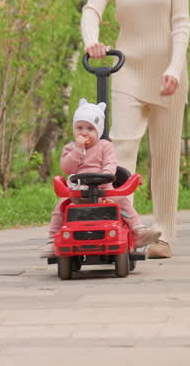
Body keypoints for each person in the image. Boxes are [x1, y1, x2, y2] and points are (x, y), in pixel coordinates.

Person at [82, 0, 189, 260]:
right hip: (127, 69)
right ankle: (126, 228)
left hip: (168, 73)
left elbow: (181, 23)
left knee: (164, 158)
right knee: (122, 148)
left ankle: (164, 237)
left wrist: (174, 68)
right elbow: (92, 8)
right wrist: (92, 41)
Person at [42, 99, 162, 258]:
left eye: (90, 128)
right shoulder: (70, 148)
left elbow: (110, 163)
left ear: (98, 130)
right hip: (78, 193)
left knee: (122, 202)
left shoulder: (105, 146)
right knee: (60, 208)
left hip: (103, 190)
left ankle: (138, 230)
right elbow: (67, 168)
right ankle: (52, 241)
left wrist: (105, 177)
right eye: (79, 128)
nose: (84, 132)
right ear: (74, 129)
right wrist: (78, 149)